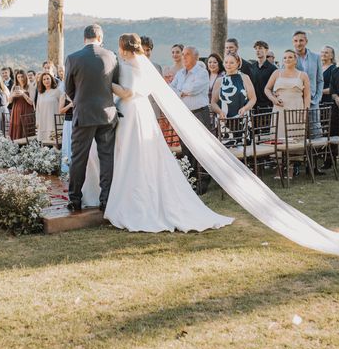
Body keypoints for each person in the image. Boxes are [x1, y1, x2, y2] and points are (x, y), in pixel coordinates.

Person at [74, 37, 339, 273]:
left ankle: (133, 201)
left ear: (125, 50)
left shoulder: (131, 69)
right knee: (139, 161)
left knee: (139, 160)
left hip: (133, 114)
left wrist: (111, 89)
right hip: (133, 120)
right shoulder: (133, 65)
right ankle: (129, 196)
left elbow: (133, 94)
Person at [79, 34, 235, 232]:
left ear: (124, 48)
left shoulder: (129, 65)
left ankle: (128, 197)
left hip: (131, 111)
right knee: (133, 154)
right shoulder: (140, 64)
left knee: (128, 155)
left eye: (120, 47)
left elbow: (127, 92)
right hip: (140, 111)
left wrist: (105, 83)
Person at [64, 24, 119, 211]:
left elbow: (68, 89)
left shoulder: (73, 58)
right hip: (107, 115)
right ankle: (106, 200)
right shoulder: (111, 56)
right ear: (100, 38)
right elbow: (115, 84)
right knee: (106, 158)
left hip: (84, 115)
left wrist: (80, 101)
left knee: (78, 158)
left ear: (84, 38)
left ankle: (75, 200)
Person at [170, 46, 212, 193]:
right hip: (183, 114)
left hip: (199, 113)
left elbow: (193, 89)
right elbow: (170, 89)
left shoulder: (202, 73)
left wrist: (180, 91)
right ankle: (191, 179)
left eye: (187, 54)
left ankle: (204, 181)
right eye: (183, 55)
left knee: (201, 147)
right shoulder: (180, 73)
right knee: (186, 148)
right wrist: (181, 92)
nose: (184, 57)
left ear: (196, 57)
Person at [264, 50, 311, 178]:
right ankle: (279, 167)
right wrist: (273, 99)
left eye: (290, 57)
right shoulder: (276, 73)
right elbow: (267, 89)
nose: (287, 59)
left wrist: (305, 112)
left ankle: (290, 167)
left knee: (293, 136)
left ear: (295, 60)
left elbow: (307, 96)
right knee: (278, 136)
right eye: (285, 57)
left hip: (296, 108)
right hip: (279, 109)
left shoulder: (303, 75)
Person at [211, 53, 256, 119]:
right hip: (224, 120)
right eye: (226, 62)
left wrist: (245, 108)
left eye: (231, 63)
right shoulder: (219, 80)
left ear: (238, 63)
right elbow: (213, 102)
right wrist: (220, 112)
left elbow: (253, 99)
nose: (228, 65)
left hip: (242, 118)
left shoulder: (245, 78)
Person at [35, 72, 64, 144]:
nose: (46, 81)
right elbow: (37, 108)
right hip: (43, 121)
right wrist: (37, 121)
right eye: (44, 79)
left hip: (54, 121)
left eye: (48, 78)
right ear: (42, 81)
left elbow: (62, 105)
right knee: (43, 142)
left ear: (51, 79)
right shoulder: (40, 93)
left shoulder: (57, 91)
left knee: (55, 141)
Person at [8, 69, 35, 140]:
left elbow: (31, 102)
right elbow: (9, 101)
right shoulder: (14, 87)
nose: (20, 79)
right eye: (18, 77)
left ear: (25, 77)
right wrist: (12, 95)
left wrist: (23, 94)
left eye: (22, 77)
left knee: (25, 130)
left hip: (26, 112)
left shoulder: (30, 86)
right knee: (16, 130)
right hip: (16, 112)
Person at [140, 35, 163, 119]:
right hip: (140, 111)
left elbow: (161, 90)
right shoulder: (132, 68)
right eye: (143, 50)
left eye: (148, 50)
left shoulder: (157, 67)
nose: (146, 53)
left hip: (155, 112)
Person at [252, 41, 278, 112]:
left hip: (268, 106)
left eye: (260, 48)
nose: (257, 50)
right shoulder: (251, 67)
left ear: (266, 50)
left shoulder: (273, 69)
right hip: (253, 106)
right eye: (256, 49)